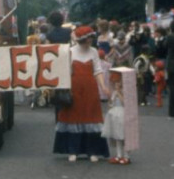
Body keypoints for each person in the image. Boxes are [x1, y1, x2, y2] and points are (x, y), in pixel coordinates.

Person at [52, 25, 110, 162]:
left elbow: (97, 70)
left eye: (90, 38)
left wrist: (103, 86)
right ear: (81, 40)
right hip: (74, 89)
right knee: (73, 117)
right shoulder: (70, 52)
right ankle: (73, 151)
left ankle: (93, 151)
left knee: (91, 118)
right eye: (88, 39)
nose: (90, 41)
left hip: (90, 89)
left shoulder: (94, 52)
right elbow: (63, 71)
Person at [102, 69, 128, 164]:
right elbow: (111, 103)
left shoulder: (124, 91)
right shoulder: (114, 92)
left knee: (124, 136)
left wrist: (119, 93)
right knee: (116, 136)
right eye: (115, 82)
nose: (116, 84)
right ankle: (118, 155)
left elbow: (125, 102)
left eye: (118, 82)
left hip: (122, 113)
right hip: (114, 114)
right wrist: (110, 100)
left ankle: (126, 156)